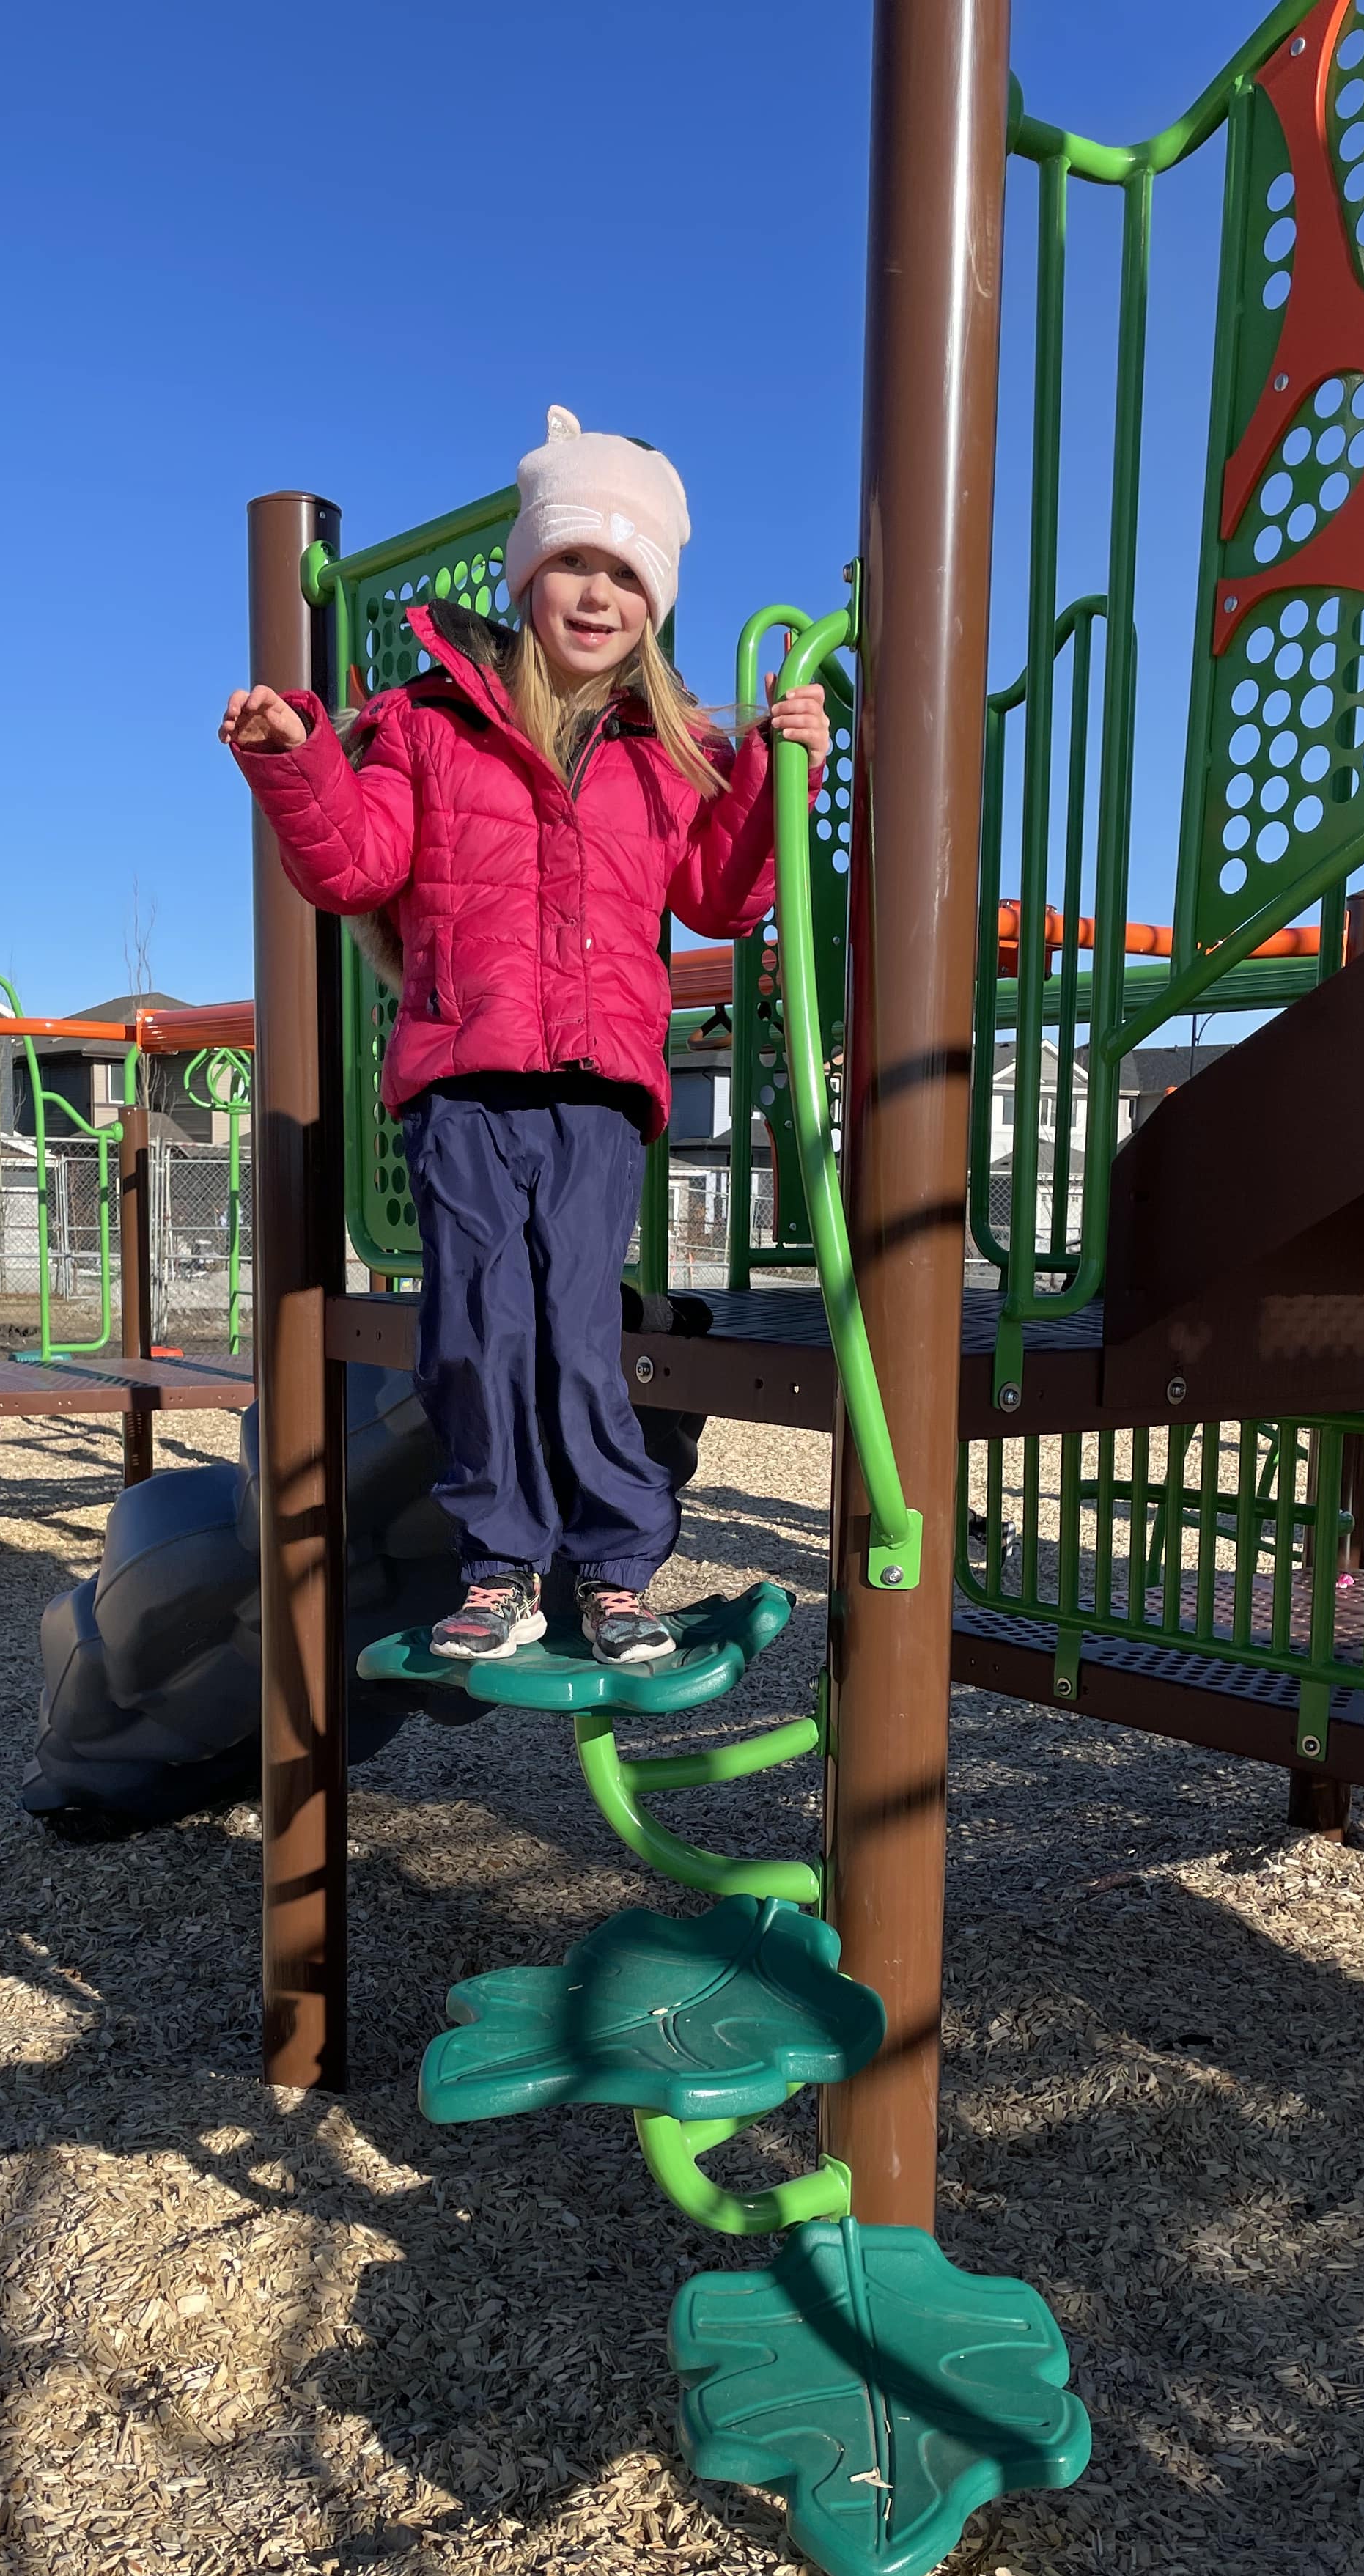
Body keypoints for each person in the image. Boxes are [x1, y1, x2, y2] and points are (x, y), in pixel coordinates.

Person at [222, 407, 828, 1665]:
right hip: (460, 1078)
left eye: (623, 573)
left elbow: (719, 895)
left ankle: (610, 1569)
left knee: (576, 1330)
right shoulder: (425, 723)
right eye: (573, 563)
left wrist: (774, 771)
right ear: (527, 575)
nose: (595, 594)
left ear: (651, 602)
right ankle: (497, 1565)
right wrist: (299, 762)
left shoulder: (668, 749)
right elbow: (354, 864)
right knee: (470, 1325)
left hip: (598, 1089)